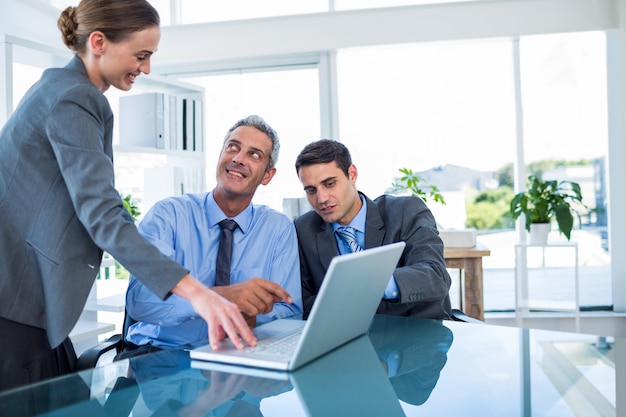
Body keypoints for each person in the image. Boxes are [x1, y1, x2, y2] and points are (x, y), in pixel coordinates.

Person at [0, 0, 254, 392]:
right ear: (98, 42)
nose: (146, 68)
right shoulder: (75, 98)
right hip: (17, 312)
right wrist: (198, 293)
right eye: (141, 55)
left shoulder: (60, 90)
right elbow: (102, 214)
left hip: (30, 310)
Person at [124, 115, 302, 351]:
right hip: (165, 353)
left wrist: (253, 317)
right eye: (233, 147)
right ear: (220, 156)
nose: (238, 159)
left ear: (267, 175)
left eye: (254, 154)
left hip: (241, 356)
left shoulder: (278, 228)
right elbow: (140, 302)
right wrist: (220, 298)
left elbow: (290, 310)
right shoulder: (168, 215)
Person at [294, 139, 452, 319]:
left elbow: (436, 277)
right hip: (347, 339)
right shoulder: (304, 229)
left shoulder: (405, 212)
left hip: (417, 335)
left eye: (330, 184)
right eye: (311, 190)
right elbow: (304, 302)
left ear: (352, 174)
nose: (321, 198)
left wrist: (373, 284)